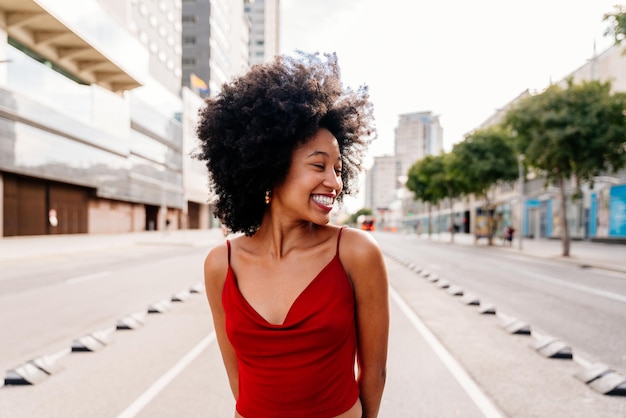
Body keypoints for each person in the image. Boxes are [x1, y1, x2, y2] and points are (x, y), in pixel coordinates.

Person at [195, 52, 389, 418]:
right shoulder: (220, 264)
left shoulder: (356, 252)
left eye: (338, 168)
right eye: (319, 165)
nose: (335, 182)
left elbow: (374, 373)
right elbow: (237, 377)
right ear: (270, 169)